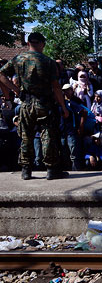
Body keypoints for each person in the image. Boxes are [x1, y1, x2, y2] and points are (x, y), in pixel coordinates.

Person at [0, 32, 69, 180]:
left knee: (26, 136)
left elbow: (1, 75)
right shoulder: (48, 62)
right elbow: (56, 87)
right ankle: (51, 170)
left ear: (28, 43)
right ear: (42, 44)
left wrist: (14, 92)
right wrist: (63, 107)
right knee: (48, 136)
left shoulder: (18, 59)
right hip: (45, 103)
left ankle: (26, 170)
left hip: (26, 103)